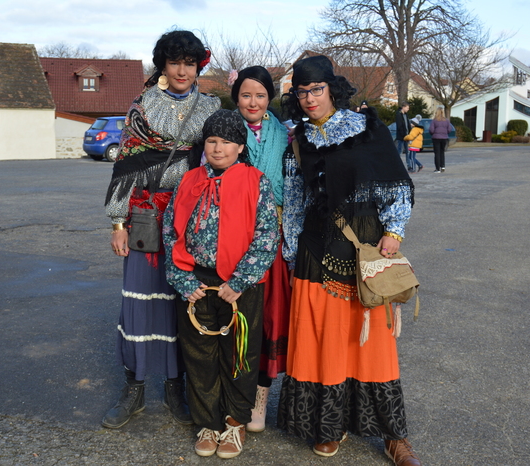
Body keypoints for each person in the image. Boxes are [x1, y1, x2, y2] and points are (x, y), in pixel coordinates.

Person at [278, 55, 421, 466]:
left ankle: (394, 437)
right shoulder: (296, 140)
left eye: (316, 90)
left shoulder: (366, 128)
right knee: (323, 338)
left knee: (374, 343)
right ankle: (330, 424)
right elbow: (294, 201)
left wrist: (394, 231)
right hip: (314, 250)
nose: (309, 98)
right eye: (302, 92)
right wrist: (291, 257)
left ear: (332, 89)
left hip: (364, 244)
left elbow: (397, 185)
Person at [101, 30, 220, 430]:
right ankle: (134, 388)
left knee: (181, 303)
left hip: (193, 220)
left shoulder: (211, 108)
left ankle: (175, 387)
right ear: (163, 65)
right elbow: (126, 166)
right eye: (175, 62)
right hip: (146, 218)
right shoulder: (143, 107)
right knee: (139, 302)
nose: (183, 70)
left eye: (190, 63)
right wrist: (118, 223)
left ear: (198, 66)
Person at [162, 109, 279, 458]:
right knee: (199, 354)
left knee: (239, 354)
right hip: (196, 283)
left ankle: (234, 421)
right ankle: (208, 422)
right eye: (212, 141)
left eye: (226, 142)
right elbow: (170, 230)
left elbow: (267, 236)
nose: (217, 148)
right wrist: (183, 280)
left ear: (240, 147)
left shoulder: (255, 181)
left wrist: (240, 281)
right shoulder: (189, 181)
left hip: (239, 286)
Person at [230, 66, 291, 433]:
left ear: (270, 98)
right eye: (246, 95)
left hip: (274, 236)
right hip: (234, 236)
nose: (253, 102)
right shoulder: (225, 130)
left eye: (260, 95)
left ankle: (260, 397)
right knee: (237, 314)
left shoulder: (285, 135)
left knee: (268, 316)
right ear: (236, 97)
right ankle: (232, 393)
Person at [429, 107, 450, 172]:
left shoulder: (434, 120)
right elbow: (449, 129)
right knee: (442, 152)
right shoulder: (446, 120)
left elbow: (431, 130)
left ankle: (437, 168)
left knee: (437, 153)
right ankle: (442, 166)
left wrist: (432, 133)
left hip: (436, 138)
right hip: (444, 138)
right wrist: (445, 133)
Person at [394, 102, 412, 171]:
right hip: (401, 136)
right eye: (407, 108)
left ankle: (409, 165)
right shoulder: (398, 115)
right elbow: (400, 126)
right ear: (403, 107)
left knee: (407, 151)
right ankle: (398, 165)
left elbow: (408, 125)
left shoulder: (406, 115)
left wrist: (410, 133)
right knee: (400, 150)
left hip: (407, 136)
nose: (408, 109)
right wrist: (403, 135)